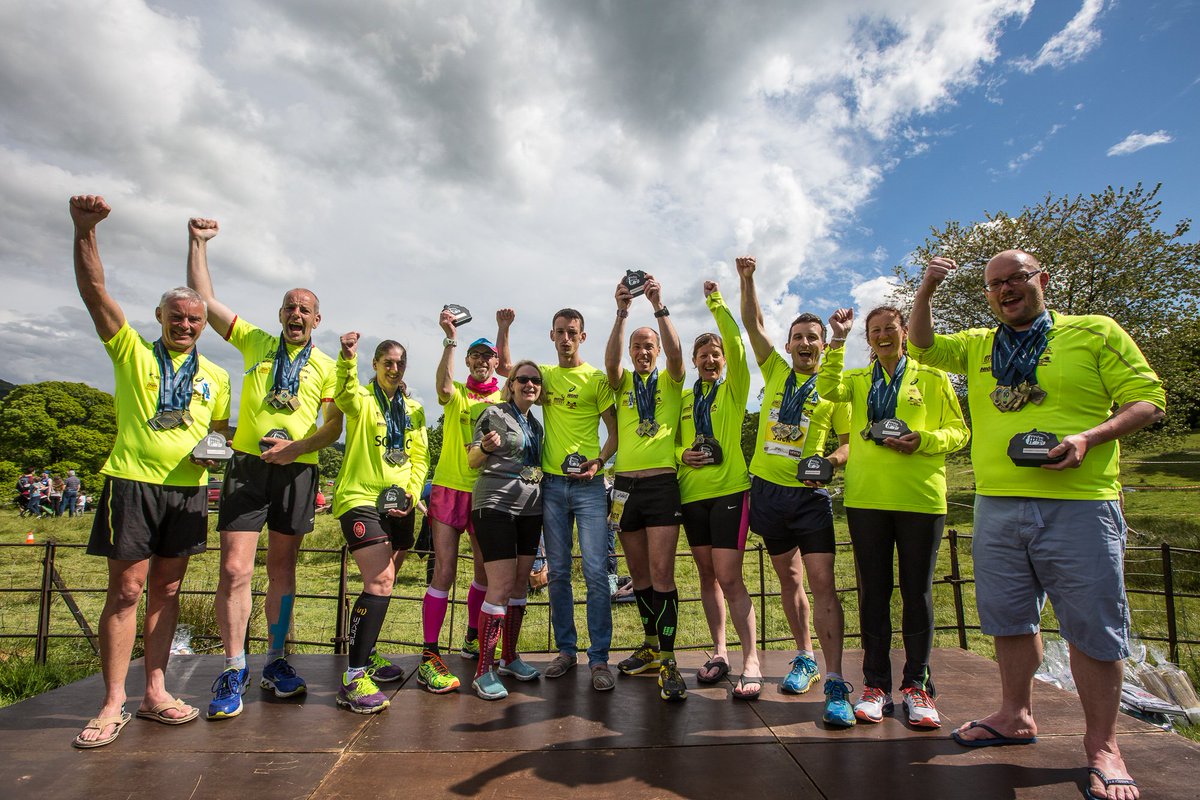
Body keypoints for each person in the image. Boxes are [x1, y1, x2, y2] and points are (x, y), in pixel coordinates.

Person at [909, 250, 1164, 800]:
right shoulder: (979, 343)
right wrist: (927, 288)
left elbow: (1148, 401)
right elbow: (922, 343)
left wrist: (1089, 439)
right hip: (997, 504)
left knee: (1093, 626)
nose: (1006, 290)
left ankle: (1103, 746)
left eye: (1016, 279)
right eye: (995, 284)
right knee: (1007, 618)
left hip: (1081, 505)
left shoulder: (1095, 331)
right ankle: (1014, 715)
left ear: (1042, 280)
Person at [68, 195, 231, 748]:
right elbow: (95, 294)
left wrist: (215, 451)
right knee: (127, 590)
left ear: (203, 325)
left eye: (194, 318)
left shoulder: (216, 375)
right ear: (160, 318)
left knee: (168, 588)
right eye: (177, 316)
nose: (186, 324)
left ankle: (155, 692)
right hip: (132, 483)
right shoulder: (132, 353)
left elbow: (220, 432)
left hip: (188, 492)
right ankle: (112, 701)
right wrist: (85, 231)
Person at [186, 217, 343, 720]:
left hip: (297, 471)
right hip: (249, 467)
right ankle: (234, 666)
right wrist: (198, 243)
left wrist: (298, 448)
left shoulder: (328, 366)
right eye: (290, 307)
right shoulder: (254, 341)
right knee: (234, 569)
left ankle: (275, 660)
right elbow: (204, 301)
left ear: (317, 321)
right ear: (279, 314)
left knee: (282, 569)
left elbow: (332, 429)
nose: (297, 314)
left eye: (306, 309)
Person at [817, 306, 970, 727]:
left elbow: (959, 431)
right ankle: (875, 686)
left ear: (905, 332)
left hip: (920, 499)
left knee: (916, 594)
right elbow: (827, 388)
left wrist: (924, 440)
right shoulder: (858, 380)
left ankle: (918, 687)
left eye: (889, 329)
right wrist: (837, 339)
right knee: (874, 593)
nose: (883, 336)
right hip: (867, 500)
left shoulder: (933, 377)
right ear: (868, 338)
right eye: (874, 331)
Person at [736, 256, 854, 727]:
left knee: (823, 584)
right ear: (787, 345)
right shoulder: (777, 373)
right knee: (790, 581)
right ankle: (804, 657)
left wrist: (827, 463)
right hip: (766, 493)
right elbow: (752, 322)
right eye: (798, 338)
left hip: (809, 499)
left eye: (813, 338)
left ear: (823, 347)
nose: (805, 344)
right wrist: (747, 279)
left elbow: (848, 448)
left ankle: (836, 679)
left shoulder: (836, 390)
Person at [504, 308, 617, 690]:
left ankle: (599, 658)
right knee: (559, 574)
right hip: (551, 486)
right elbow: (508, 370)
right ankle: (567, 651)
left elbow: (614, 432)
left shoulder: (596, 379)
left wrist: (599, 460)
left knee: (597, 574)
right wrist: (504, 327)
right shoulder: (545, 377)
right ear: (551, 336)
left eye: (572, 332)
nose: (566, 339)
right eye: (560, 333)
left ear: (583, 337)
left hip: (588, 486)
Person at [331, 332, 428, 713]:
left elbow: (419, 458)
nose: (394, 367)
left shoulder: (415, 408)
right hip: (360, 499)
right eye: (387, 361)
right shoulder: (361, 398)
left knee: (384, 583)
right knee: (381, 580)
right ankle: (353, 679)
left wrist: (414, 493)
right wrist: (346, 358)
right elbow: (344, 394)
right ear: (375, 365)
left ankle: (365, 655)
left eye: (400, 362)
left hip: (400, 504)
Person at [603, 274, 688, 701]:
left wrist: (658, 306)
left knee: (661, 574)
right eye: (637, 346)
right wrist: (621, 314)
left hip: (661, 485)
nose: (642, 352)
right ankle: (652, 646)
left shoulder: (671, 380)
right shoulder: (621, 382)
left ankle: (670, 658)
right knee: (637, 576)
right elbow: (610, 363)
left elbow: (677, 355)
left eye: (647, 346)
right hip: (622, 488)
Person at [418, 309, 512, 694]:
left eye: (485, 356)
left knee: (484, 573)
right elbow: (442, 388)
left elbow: (510, 369)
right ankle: (429, 652)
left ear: (493, 362)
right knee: (444, 569)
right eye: (472, 356)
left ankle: (473, 637)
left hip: (485, 490)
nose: (479, 361)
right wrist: (450, 338)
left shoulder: (503, 398)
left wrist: (503, 329)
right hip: (448, 488)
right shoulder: (458, 394)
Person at [677, 279, 760, 699]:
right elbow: (669, 440)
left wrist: (715, 302)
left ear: (724, 360)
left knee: (730, 577)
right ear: (694, 362)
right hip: (692, 496)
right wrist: (680, 456)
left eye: (715, 354)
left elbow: (738, 343)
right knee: (707, 576)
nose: (710, 359)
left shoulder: (734, 388)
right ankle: (720, 652)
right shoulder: (684, 399)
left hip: (729, 490)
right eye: (703, 355)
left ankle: (752, 661)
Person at [465, 360, 547, 699]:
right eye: (523, 379)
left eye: (536, 380)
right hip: (495, 505)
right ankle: (484, 670)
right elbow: (471, 459)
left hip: (531, 508)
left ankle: (510, 657)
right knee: (498, 586)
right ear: (511, 383)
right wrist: (484, 447)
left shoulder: (538, 425)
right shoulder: (492, 413)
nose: (530, 384)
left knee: (518, 586)